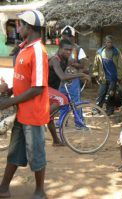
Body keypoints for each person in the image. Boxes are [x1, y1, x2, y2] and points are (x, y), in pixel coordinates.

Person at [0, 10, 49, 198]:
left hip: (33, 114)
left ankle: (39, 191)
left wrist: (9, 102)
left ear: (29, 27)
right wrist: (11, 90)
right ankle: (4, 187)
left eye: (20, 24)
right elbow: (25, 80)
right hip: (21, 112)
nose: (17, 28)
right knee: (14, 150)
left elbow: (37, 88)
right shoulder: (24, 48)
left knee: (36, 153)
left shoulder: (38, 50)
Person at [47, 39, 90, 146]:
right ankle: (41, 116)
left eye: (70, 50)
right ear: (60, 49)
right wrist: (81, 75)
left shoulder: (65, 60)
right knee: (63, 100)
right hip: (44, 88)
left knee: (50, 117)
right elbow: (62, 76)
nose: (68, 52)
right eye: (66, 49)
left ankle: (56, 141)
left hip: (52, 89)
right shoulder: (54, 60)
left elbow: (66, 75)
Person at [59, 25, 88, 119]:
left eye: (69, 36)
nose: (66, 38)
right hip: (62, 79)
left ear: (73, 37)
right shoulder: (60, 48)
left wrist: (75, 64)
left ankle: (79, 122)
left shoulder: (78, 49)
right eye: (64, 36)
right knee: (62, 100)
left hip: (73, 79)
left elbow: (84, 64)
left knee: (76, 102)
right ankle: (62, 121)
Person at [93, 35, 122, 115]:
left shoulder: (116, 52)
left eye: (111, 42)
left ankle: (110, 109)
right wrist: (95, 74)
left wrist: (120, 77)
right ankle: (97, 109)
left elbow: (120, 64)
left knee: (111, 94)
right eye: (108, 42)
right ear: (105, 43)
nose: (109, 43)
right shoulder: (100, 52)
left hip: (113, 77)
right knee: (101, 93)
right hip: (103, 77)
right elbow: (96, 64)